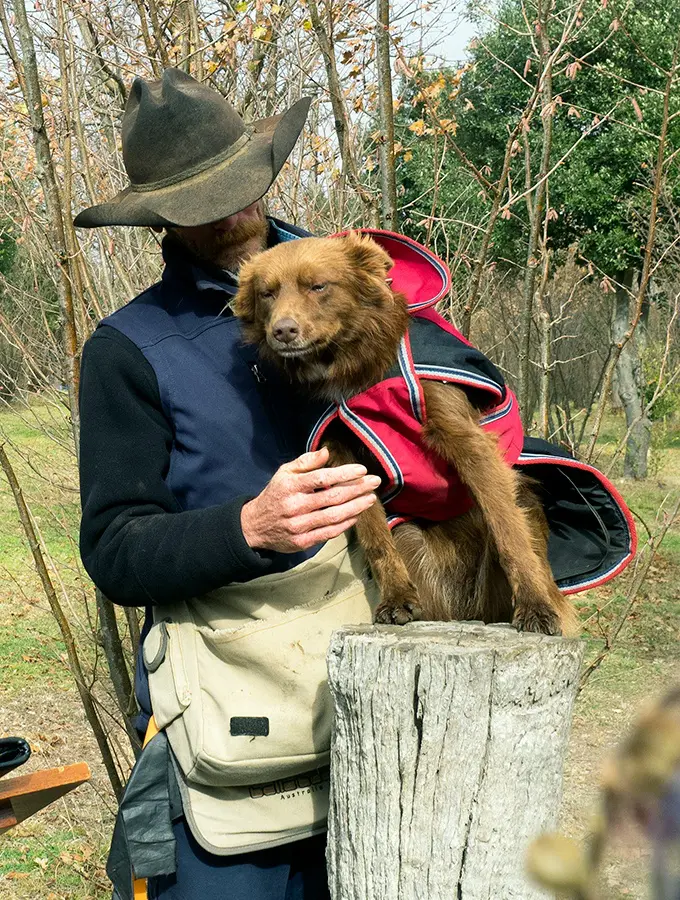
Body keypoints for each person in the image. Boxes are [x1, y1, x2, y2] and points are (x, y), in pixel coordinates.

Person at [75, 68, 380, 900]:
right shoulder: (132, 348)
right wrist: (248, 528)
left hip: (383, 713)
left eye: (240, 181)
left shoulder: (353, 279)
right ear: (158, 214)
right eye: (199, 198)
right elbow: (112, 547)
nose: (233, 209)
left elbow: (449, 416)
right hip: (229, 741)